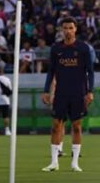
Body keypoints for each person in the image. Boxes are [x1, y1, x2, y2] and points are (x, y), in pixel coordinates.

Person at [41, 17, 94, 172]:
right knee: (56, 126)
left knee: (76, 126)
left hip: (78, 93)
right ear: (61, 30)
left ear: (75, 29)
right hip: (61, 93)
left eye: (71, 28)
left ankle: (74, 163)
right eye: (65, 28)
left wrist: (90, 91)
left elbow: (90, 72)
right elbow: (51, 72)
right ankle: (54, 163)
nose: (68, 31)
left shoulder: (84, 48)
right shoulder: (56, 49)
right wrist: (46, 91)